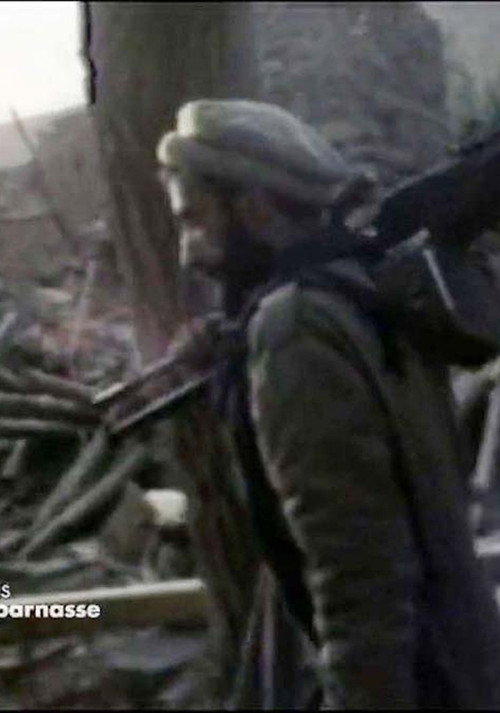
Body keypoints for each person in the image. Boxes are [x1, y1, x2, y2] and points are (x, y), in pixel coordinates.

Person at [156, 99, 500, 709]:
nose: (189, 252)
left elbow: (358, 577)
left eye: (195, 220)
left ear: (255, 209)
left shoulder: (296, 328)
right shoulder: (358, 290)